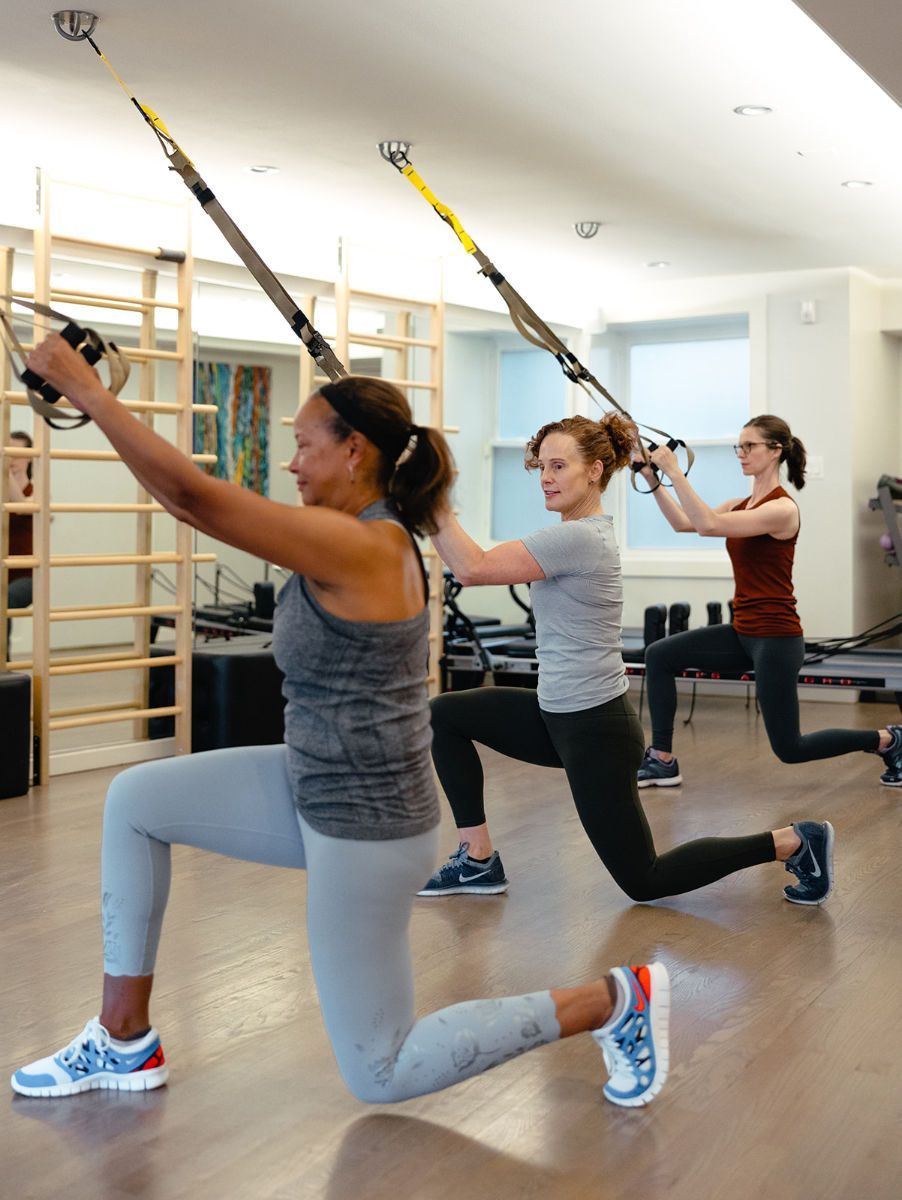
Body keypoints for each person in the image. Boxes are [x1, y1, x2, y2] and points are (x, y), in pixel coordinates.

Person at [11, 338, 670, 1111]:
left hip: (366, 824)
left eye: (302, 446)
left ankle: (614, 1001)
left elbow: (192, 497)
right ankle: (124, 1038)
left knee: (381, 1070)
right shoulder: (345, 527)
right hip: (308, 778)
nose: (290, 464)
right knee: (135, 802)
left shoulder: (366, 545)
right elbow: (189, 498)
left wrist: (90, 393)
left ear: (355, 451)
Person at [420, 414, 834, 907]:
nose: (546, 477)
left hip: (595, 729)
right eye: (541, 467)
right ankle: (477, 858)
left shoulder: (580, 538)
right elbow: (472, 564)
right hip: (554, 712)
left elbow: (472, 568)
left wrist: (426, 495)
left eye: (559, 466)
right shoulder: (571, 533)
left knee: (645, 879)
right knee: (442, 716)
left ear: (595, 470)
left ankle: (794, 840)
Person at [633, 415, 901, 790]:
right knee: (659, 655)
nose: (740, 454)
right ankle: (662, 759)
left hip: (775, 639)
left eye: (749, 446)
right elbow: (684, 522)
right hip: (743, 632)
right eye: (738, 446)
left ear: (775, 451)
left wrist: (675, 472)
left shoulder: (782, 510)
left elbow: (709, 524)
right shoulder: (741, 503)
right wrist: (651, 479)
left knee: (790, 748)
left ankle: (888, 740)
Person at [5, 430, 34, 644]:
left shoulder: (38, 487)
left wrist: (4, 472)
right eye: (9, 452)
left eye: (17, 452)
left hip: (29, 575)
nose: (12, 459)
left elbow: (23, 507)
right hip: (4, 570)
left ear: (29, 456)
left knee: (4, 600)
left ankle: (3, 668)